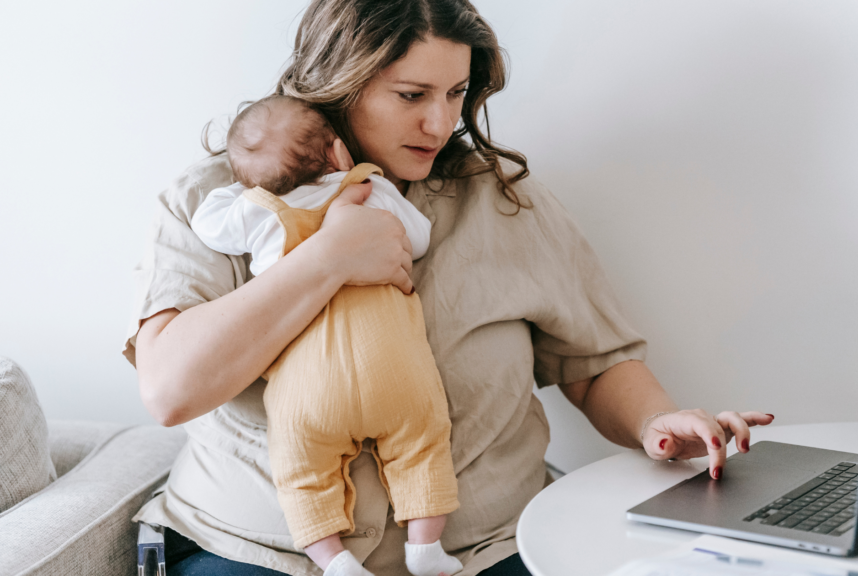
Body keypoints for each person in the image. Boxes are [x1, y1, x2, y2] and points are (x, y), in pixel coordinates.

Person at [126, 1, 774, 575]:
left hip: (486, 549)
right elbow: (171, 389)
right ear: (338, 84)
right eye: (412, 95)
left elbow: (593, 363)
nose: (439, 124)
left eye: (456, 93)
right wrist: (327, 259)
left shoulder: (504, 203)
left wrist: (655, 423)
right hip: (260, 552)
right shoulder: (219, 202)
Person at [189, 94, 462, 576]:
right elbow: (417, 237)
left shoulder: (260, 211)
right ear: (338, 153)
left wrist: (243, 188)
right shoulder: (368, 187)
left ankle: (333, 561)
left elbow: (208, 224)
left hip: (308, 387)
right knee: (424, 444)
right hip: (394, 368)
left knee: (301, 472)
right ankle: (424, 548)